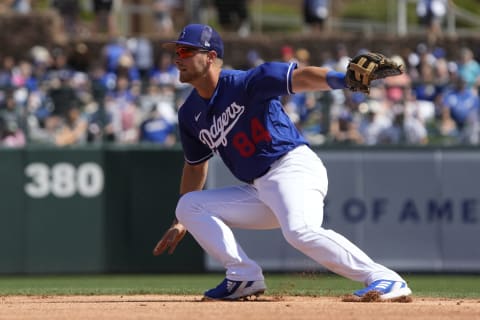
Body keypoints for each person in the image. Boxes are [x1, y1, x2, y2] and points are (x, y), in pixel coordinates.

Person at [153, 24, 412, 301]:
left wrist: (343, 79)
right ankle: (243, 277)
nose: (177, 58)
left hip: (292, 167)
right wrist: (182, 222)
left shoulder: (247, 82)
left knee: (300, 232)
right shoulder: (190, 113)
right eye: (176, 51)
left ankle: (384, 278)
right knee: (188, 205)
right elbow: (195, 166)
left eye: (185, 50)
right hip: (260, 188)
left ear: (210, 56)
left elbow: (302, 78)